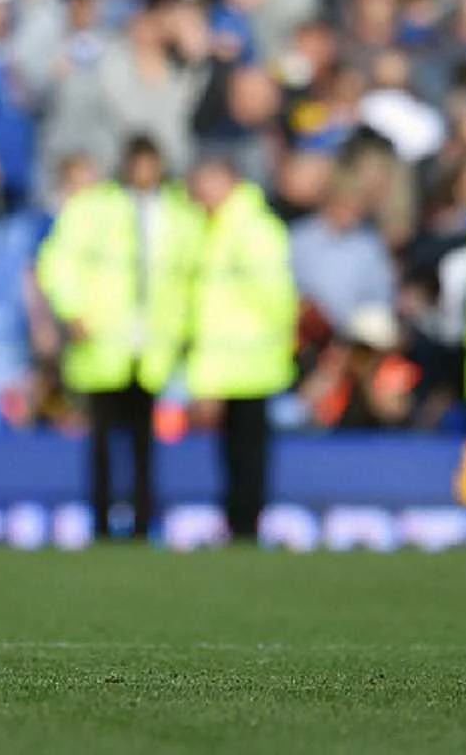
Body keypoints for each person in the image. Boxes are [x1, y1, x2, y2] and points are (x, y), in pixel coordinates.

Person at [37, 136, 201, 539]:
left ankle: (144, 522)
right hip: (104, 342)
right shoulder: (94, 208)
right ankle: (102, 523)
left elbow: (191, 277)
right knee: (104, 442)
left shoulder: (179, 214)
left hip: (152, 347)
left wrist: (184, 328)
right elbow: (57, 263)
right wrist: (72, 310)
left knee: (146, 442)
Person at [187, 157, 298, 541]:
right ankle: (237, 521)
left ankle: (247, 523)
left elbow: (275, 296)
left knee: (249, 448)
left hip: (252, 359)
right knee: (233, 449)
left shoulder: (252, 229)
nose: (201, 191)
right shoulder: (214, 228)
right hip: (227, 361)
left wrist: (277, 339)